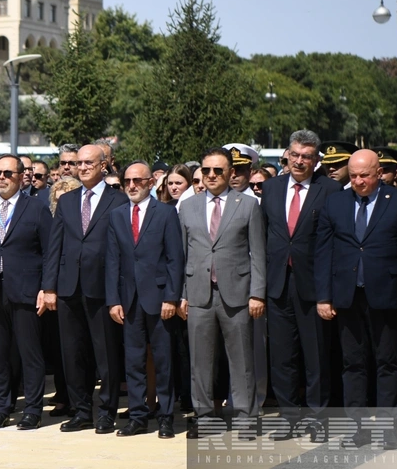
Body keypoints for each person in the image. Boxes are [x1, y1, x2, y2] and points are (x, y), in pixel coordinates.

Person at [315, 149, 397, 449]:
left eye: (365, 175)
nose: (359, 181)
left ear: (378, 173)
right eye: (354, 175)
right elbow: (323, 253)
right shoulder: (335, 203)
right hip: (347, 296)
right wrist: (324, 297)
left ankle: (387, 429)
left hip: (386, 296)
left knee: (388, 363)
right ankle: (356, 429)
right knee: (353, 364)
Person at [178, 147, 266, 438]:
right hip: (198, 293)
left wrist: (257, 293)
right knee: (200, 362)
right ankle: (204, 418)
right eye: (206, 170)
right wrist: (181, 294)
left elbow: (258, 253)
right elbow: (182, 254)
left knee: (241, 361)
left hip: (237, 294)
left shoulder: (248, 205)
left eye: (218, 170)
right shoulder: (187, 206)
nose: (211, 175)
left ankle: (245, 420)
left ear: (231, 172)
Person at [0, 154, 57, 430]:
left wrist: (47, 288)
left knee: (29, 353)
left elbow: (49, 252)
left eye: (8, 173)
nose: (1, 178)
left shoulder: (36, 208)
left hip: (27, 292)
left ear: (20, 176)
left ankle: (32, 409)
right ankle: (1, 408)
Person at [260, 130, 341, 441]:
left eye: (306, 157)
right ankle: (288, 417)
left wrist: (327, 292)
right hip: (278, 284)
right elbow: (264, 236)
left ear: (316, 160)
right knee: (282, 357)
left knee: (316, 357)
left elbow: (333, 241)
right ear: (287, 155)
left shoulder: (330, 189)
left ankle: (318, 419)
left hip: (314, 287)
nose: (299, 161)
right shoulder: (271, 188)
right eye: (294, 155)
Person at [50, 143, 127, 433]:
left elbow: (122, 249)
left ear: (103, 166)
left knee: (105, 354)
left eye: (88, 163)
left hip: (102, 288)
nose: (81, 168)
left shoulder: (117, 200)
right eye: (78, 163)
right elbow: (55, 247)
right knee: (73, 354)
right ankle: (81, 411)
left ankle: (106, 412)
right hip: (68, 288)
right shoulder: (67, 201)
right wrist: (49, 287)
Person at [105, 161, 184, 437]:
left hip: (159, 298)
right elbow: (112, 260)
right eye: (127, 181)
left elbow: (175, 259)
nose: (131, 185)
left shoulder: (165, 213)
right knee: (133, 361)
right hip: (128, 300)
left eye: (137, 180)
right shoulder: (116, 216)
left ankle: (166, 416)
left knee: (163, 360)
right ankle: (137, 416)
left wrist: (171, 297)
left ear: (151, 183)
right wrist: (113, 300)